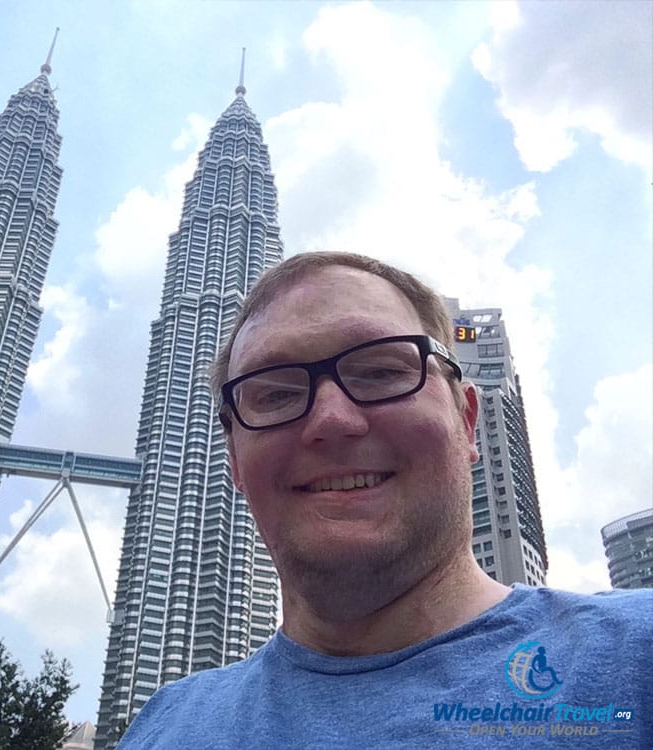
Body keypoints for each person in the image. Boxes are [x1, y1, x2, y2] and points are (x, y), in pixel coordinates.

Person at [117, 251, 651, 749]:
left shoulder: (637, 656)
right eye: (275, 392)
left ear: (467, 421)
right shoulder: (164, 728)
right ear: (234, 460)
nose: (331, 420)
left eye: (381, 372)